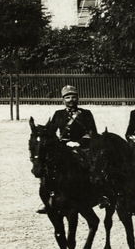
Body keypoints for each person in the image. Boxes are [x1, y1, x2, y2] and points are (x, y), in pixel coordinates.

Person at [38, 85, 99, 213]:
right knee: (51, 169)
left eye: (73, 97)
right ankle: (49, 198)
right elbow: (51, 133)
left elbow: (92, 132)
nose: (71, 100)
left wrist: (79, 142)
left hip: (81, 147)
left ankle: (98, 195)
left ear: (78, 99)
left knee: (90, 167)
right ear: (63, 100)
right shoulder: (58, 114)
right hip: (63, 147)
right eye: (68, 97)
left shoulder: (86, 114)